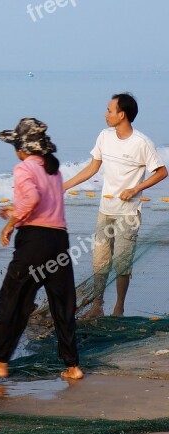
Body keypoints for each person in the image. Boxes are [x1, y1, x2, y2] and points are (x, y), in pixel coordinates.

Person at [0, 118, 83, 380]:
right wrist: (15, 212)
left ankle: (0, 362)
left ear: (22, 148)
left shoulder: (24, 168)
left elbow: (33, 199)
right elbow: (44, 204)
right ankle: (72, 366)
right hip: (58, 241)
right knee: (62, 304)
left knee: (11, 300)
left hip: (34, 244)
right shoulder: (53, 169)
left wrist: (10, 224)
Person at [63, 93, 167, 317]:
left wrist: (136, 189)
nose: (105, 114)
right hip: (105, 211)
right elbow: (92, 167)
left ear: (122, 114)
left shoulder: (141, 142)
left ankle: (118, 308)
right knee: (99, 260)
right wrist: (65, 185)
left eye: (109, 110)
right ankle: (97, 305)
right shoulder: (104, 136)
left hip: (128, 214)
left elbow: (162, 172)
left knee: (122, 262)